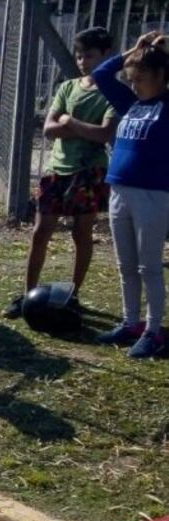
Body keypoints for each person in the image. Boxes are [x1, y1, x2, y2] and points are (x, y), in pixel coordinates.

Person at [2, 27, 118, 319]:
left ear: (107, 55)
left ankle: (73, 295)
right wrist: (76, 126)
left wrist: (69, 120)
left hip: (89, 171)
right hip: (56, 169)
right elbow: (49, 129)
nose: (83, 62)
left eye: (89, 56)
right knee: (41, 232)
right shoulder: (67, 87)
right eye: (79, 56)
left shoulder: (113, 92)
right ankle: (28, 295)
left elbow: (103, 134)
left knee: (82, 233)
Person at [92, 30, 169, 358]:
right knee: (126, 264)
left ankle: (154, 331)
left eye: (141, 78)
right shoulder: (131, 103)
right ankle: (130, 323)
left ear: (161, 77)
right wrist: (133, 50)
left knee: (148, 266)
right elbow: (100, 74)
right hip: (120, 190)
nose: (134, 84)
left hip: (153, 194)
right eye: (132, 79)